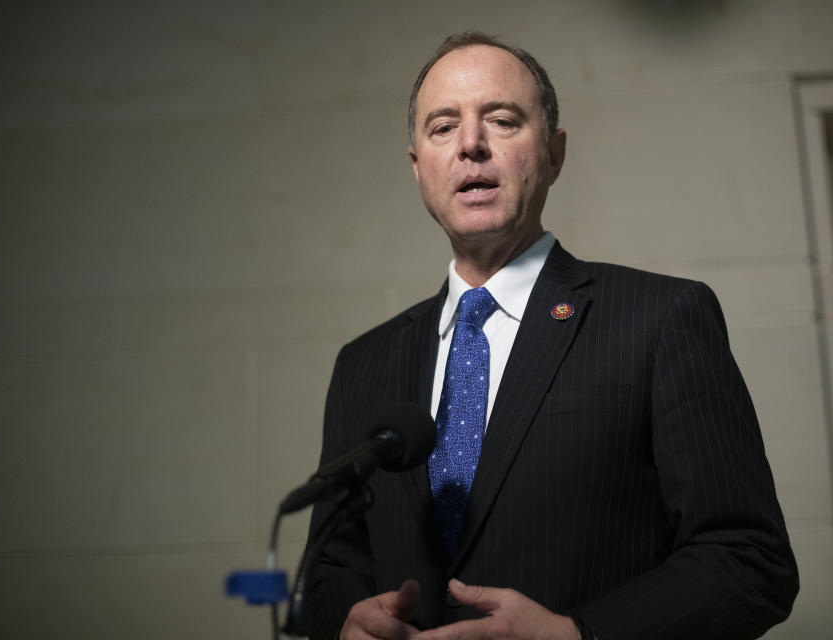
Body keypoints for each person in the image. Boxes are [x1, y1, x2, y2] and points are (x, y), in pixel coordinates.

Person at [301, 32, 799, 640]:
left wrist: (576, 634)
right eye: (442, 127)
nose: (471, 145)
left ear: (555, 153)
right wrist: (346, 620)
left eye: (503, 120)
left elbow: (750, 560)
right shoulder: (364, 363)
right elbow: (331, 569)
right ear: (417, 167)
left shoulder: (660, 317)